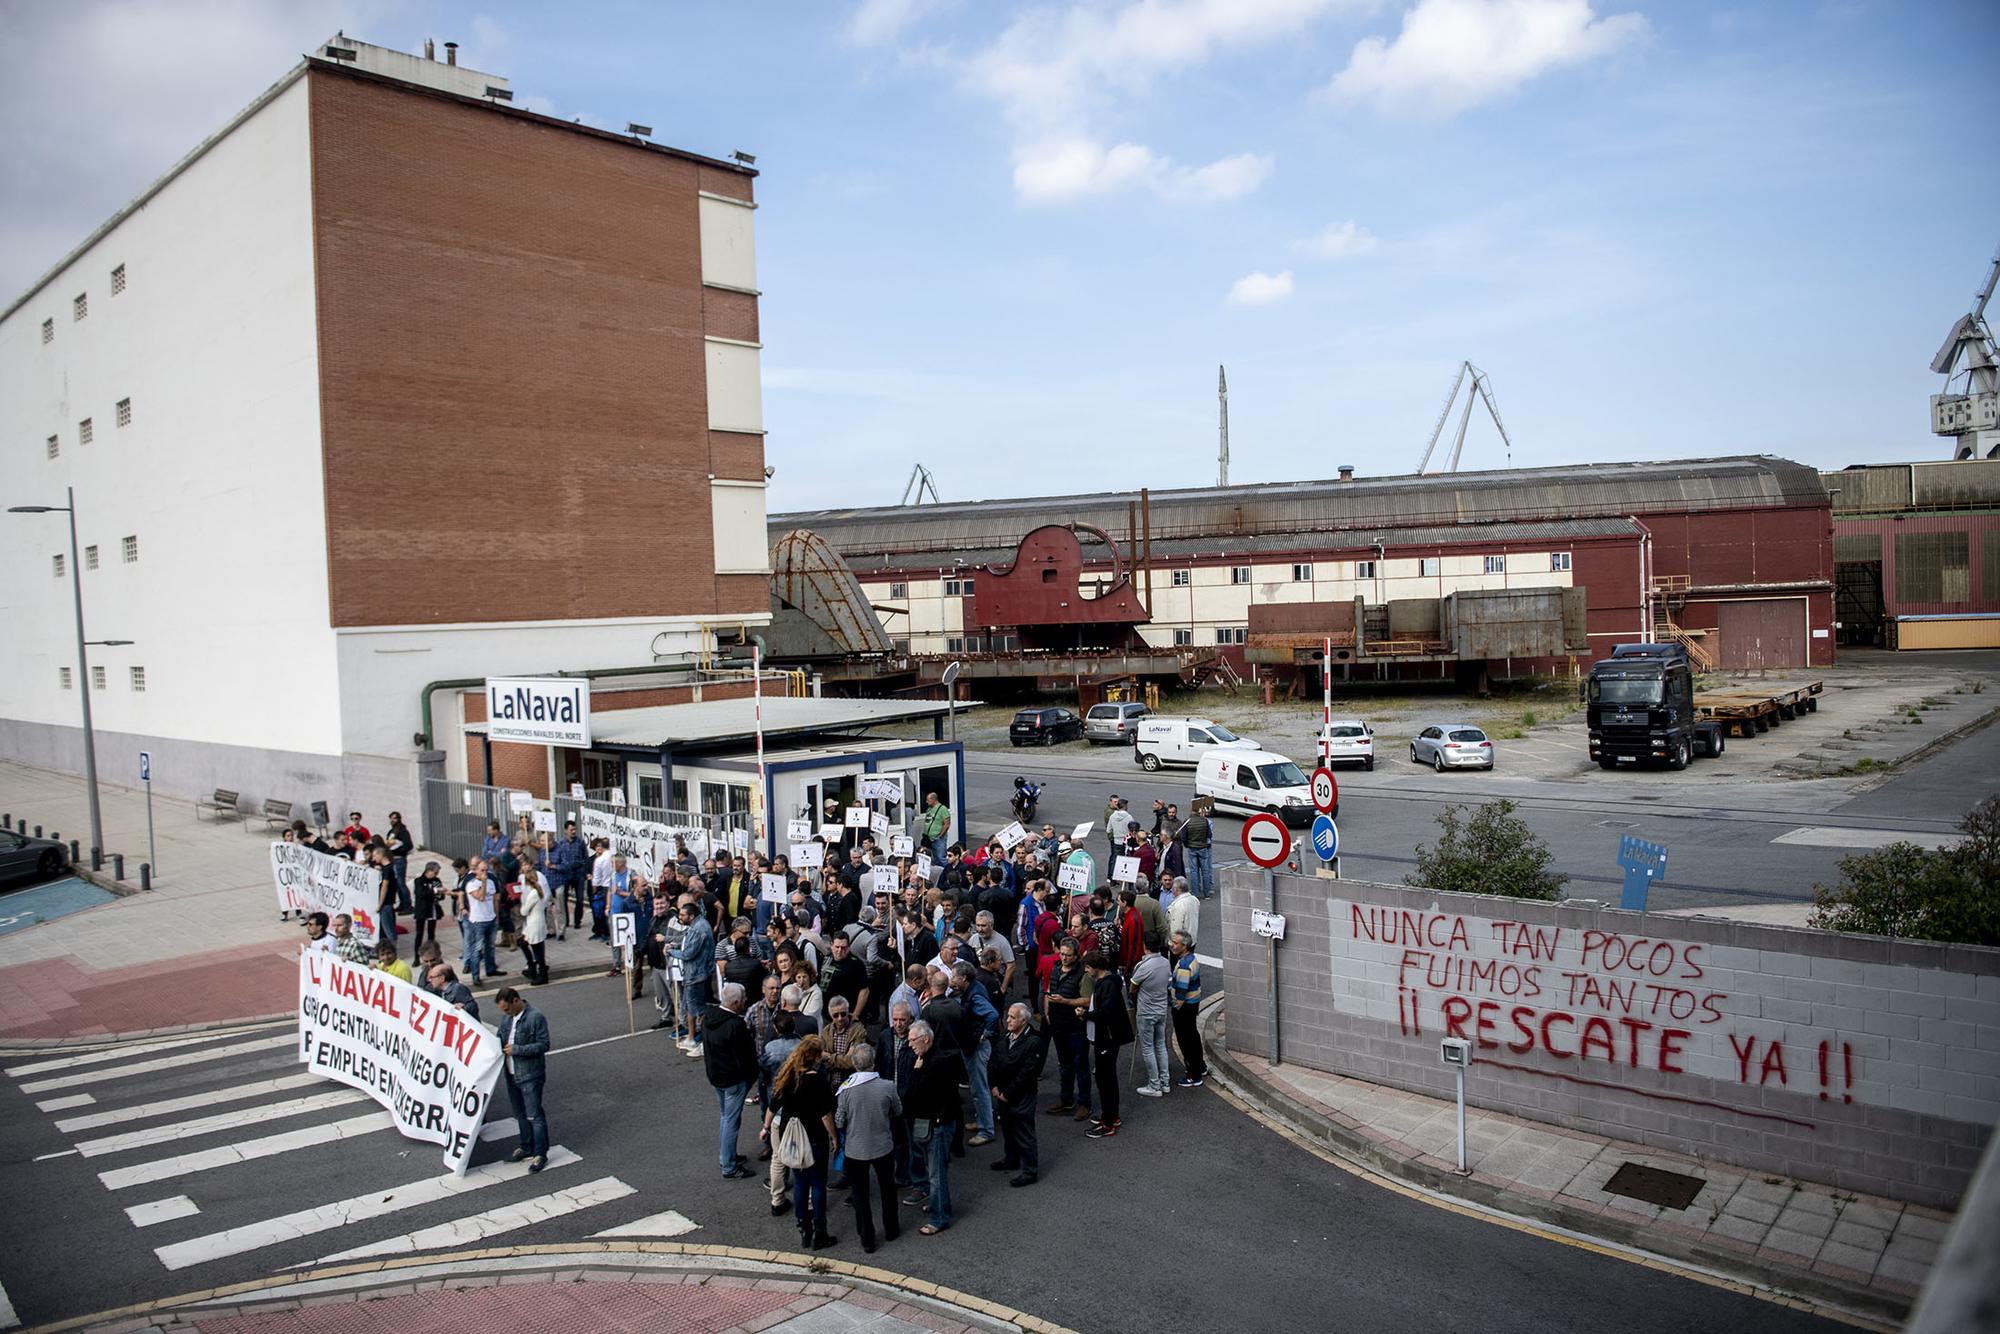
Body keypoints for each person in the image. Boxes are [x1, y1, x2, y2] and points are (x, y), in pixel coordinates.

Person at [768, 1035, 839, 1251]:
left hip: (791, 1138)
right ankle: (820, 1231)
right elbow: (826, 1114)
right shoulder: (817, 1080)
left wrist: (765, 1128)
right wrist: (834, 1137)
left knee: (800, 1182)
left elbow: (773, 1105)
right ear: (816, 1057)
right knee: (817, 1184)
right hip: (815, 1137)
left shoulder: (788, 1075)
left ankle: (803, 1226)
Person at [835, 1042, 901, 1253]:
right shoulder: (887, 1086)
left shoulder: (846, 1091)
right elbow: (898, 1110)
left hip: (856, 1149)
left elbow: (839, 1121)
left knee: (860, 1194)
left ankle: (867, 1237)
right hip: (883, 1146)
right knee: (888, 1189)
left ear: (854, 1064)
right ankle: (891, 1229)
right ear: (873, 1062)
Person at [902, 1019, 962, 1235]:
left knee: (936, 1174)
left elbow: (918, 1094)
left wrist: (917, 1072)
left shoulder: (934, 1063)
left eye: (913, 1040)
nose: (910, 1044)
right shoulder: (932, 1058)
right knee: (936, 1170)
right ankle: (940, 1205)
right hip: (936, 1122)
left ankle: (939, 1217)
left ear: (926, 1039)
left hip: (937, 1124)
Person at [703, 981, 759, 1180]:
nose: (745, 1002)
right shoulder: (736, 1025)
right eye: (743, 1000)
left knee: (725, 1117)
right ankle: (729, 1165)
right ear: (735, 1003)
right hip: (733, 1080)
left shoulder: (709, 1017)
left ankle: (726, 1156)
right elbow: (748, 1054)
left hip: (716, 1076)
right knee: (731, 1120)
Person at [988, 1002, 1048, 1186]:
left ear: (1023, 1020)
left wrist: (1008, 1092)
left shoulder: (1034, 1041)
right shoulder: (1006, 1036)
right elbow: (994, 1060)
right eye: (1008, 1017)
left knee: (1024, 1131)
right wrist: (994, 1086)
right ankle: (1011, 1158)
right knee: (1007, 1127)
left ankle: (1030, 1171)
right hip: (1002, 1091)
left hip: (1021, 1094)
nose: (1008, 1020)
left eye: (1012, 1017)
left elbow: (1028, 1072)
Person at [494, 987, 550, 1172]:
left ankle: (540, 1153)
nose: (506, 1013)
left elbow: (544, 1044)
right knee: (520, 1114)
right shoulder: (506, 1018)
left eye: (507, 1009)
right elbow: (499, 1039)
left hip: (530, 1074)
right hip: (511, 1074)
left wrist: (517, 1049)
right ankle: (526, 1147)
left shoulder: (535, 1017)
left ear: (516, 1001)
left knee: (534, 1115)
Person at [1084, 949, 1132, 1139]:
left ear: (1096, 967)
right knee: (1107, 1078)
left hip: (1107, 1038)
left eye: (1088, 968)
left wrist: (1085, 1014)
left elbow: (1105, 1013)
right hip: (1108, 1038)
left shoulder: (1107, 986)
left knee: (1105, 1080)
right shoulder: (1109, 982)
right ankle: (1110, 1115)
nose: (1087, 972)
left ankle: (1108, 1123)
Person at [1043, 936, 1092, 1120]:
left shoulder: (1083, 974)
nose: (1064, 958)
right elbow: (1048, 990)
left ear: (1076, 955)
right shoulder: (1056, 968)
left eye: (1068, 955)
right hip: (1057, 1024)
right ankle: (1066, 1099)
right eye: (1062, 954)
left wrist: (1066, 1002)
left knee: (1081, 1066)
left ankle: (1084, 1103)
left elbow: (1087, 999)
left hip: (1075, 1027)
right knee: (1064, 1066)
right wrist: (1048, 1011)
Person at [952, 962, 1000, 1147]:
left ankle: (986, 1130)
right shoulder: (975, 987)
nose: (952, 979)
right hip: (974, 1043)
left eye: (955, 976)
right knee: (977, 1086)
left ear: (963, 978)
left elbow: (992, 1015)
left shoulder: (975, 995)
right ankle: (981, 1121)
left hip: (977, 1047)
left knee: (980, 1089)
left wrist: (984, 1035)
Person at [1129, 935, 1173, 1097]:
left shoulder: (1143, 966)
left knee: (1148, 1048)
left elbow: (1132, 988)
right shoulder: (1166, 963)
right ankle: (1165, 1082)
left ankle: (1154, 1085)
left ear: (1145, 946)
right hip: (1161, 1009)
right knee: (1160, 1045)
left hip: (1146, 1011)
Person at [673, 899, 716, 1054]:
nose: (680, 917)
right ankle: (691, 1038)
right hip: (695, 974)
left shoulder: (698, 929)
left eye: (682, 915)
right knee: (692, 1008)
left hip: (696, 975)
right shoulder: (698, 926)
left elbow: (688, 953)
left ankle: (704, 1042)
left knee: (699, 1010)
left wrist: (670, 951)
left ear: (691, 916)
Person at [462, 858, 501, 983]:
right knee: (477, 948)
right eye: (482, 870)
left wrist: (496, 915)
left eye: (486, 870)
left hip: (490, 918)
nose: (485, 873)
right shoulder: (471, 884)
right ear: (476, 871)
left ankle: (491, 968)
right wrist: (483, 883)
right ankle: (475, 975)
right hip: (478, 921)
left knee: (490, 946)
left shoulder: (491, 882)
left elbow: (495, 899)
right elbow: (481, 897)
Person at [517, 867, 550, 986]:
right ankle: (534, 969)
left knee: (536, 950)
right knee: (527, 944)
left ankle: (540, 973)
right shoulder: (539, 890)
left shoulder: (533, 894)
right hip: (538, 922)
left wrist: (522, 905)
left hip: (534, 924)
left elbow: (524, 911)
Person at [1179, 805, 1215, 900]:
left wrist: (1187, 844)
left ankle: (1195, 893)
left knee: (1194, 871)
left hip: (1192, 848)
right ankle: (1206, 893)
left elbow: (1183, 837)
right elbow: (1209, 835)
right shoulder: (1204, 821)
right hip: (1203, 848)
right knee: (1205, 871)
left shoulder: (1187, 821)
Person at [411, 861, 445, 950]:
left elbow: (440, 896)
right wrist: (435, 891)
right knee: (419, 933)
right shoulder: (419, 880)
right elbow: (420, 893)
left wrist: (440, 893)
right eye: (435, 872)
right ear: (429, 871)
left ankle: (431, 951)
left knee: (431, 932)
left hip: (432, 909)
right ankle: (417, 954)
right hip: (422, 909)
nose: (436, 874)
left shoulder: (436, 881)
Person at [385, 811, 414, 912]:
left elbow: (408, 845)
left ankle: (408, 904)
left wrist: (397, 850)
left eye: (395, 818)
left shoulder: (403, 831)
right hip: (392, 859)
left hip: (400, 859)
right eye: (391, 818)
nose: (392, 820)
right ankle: (402, 903)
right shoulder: (391, 832)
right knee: (397, 883)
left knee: (401, 883)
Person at [1168, 875, 1200, 947]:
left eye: (1173, 888)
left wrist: (1172, 943)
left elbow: (1175, 927)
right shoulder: (1195, 900)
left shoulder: (1178, 905)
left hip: (1181, 945)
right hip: (1192, 940)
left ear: (1176, 889)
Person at [921, 791, 952, 864]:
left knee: (941, 858)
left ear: (933, 800)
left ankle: (945, 873)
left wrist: (940, 835)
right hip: (929, 839)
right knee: (932, 859)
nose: (926, 802)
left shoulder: (942, 809)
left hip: (938, 839)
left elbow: (947, 824)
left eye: (928, 800)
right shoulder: (929, 809)